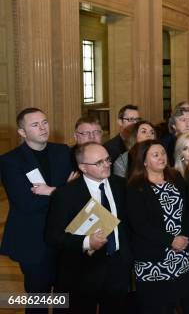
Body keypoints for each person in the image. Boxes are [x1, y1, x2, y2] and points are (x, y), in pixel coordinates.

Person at [45, 143, 132, 313]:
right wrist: (86, 242)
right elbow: (52, 236)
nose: (107, 164)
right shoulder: (65, 194)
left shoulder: (121, 185)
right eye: (99, 162)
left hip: (118, 266)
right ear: (83, 167)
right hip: (83, 271)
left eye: (107, 159)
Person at [0, 108, 72, 310]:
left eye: (45, 122)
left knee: (62, 298)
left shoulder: (62, 151)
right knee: (37, 299)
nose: (43, 128)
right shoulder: (10, 161)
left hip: (63, 237)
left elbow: (75, 192)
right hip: (32, 240)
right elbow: (25, 203)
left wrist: (50, 192)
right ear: (22, 132)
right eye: (35, 125)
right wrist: (61, 192)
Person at [126, 140, 189, 314]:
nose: (162, 157)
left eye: (163, 153)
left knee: (184, 303)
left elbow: (188, 210)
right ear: (144, 161)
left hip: (180, 253)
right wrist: (170, 240)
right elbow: (139, 224)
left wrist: (184, 238)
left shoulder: (176, 177)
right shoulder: (135, 186)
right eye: (155, 155)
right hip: (153, 258)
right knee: (157, 307)